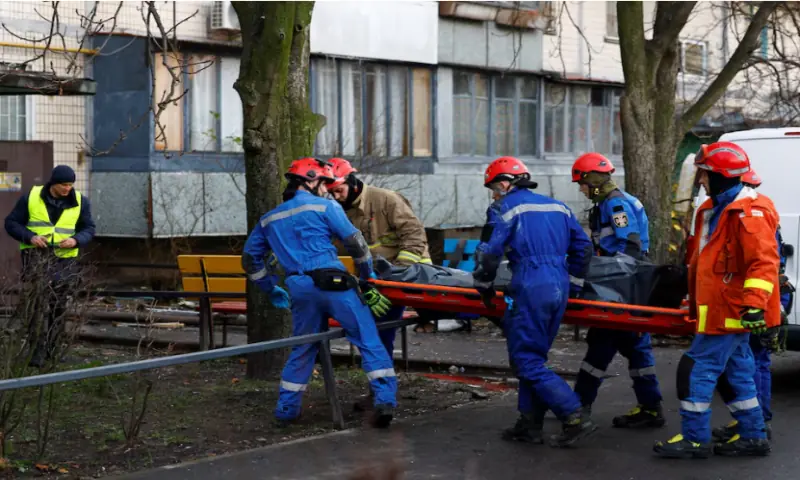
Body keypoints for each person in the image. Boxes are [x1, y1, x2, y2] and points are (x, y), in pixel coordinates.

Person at [241, 157, 397, 428]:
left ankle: (287, 409)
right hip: (335, 284)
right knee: (367, 337)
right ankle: (384, 400)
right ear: (310, 180)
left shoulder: (269, 219)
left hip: (299, 289)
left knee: (303, 346)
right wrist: (366, 275)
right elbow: (355, 243)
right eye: (324, 183)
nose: (327, 188)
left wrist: (270, 288)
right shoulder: (326, 206)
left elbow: (249, 259)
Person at [654, 141, 778, 458]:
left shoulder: (748, 212)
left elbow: (762, 263)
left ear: (722, 176)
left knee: (695, 369)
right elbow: (706, 260)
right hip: (720, 308)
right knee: (737, 373)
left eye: (706, 174)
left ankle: (695, 439)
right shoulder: (714, 209)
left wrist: (754, 304)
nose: (701, 181)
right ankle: (753, 434)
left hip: (732, 309)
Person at [472, 156, 597, 448]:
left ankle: (574, 414)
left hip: (530, 285)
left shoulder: (503, 208)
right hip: (558, 285)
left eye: (493, 187)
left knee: (526, 360)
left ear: (504, 183)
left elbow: (488, 253)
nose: (493, 194)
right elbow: (583, 247)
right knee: (533, 358)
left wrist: (483, 287)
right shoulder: (558, 207)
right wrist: (575, 284)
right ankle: (529, 424)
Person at [569, 153, 665, 429]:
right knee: (636, 347)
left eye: (582, 183)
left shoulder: (616, 204)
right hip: (627, 285)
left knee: (601, 344)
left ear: (594, 181)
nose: (581, 189)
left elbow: (630, 245)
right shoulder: (608, 204)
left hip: (621, 285)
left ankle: (578, 408)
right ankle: (651, 406)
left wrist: (613, 286)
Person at [711, 169, 794, 444]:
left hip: (760, 299)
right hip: (766, 297)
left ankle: (758, 422)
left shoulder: (752, 215)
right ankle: (754, 421)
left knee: (755, 362)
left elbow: (763, 265)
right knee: (754, 362)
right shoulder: (762, 212)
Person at [4, 165, 95, 367]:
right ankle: (36, 352)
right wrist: (30, 237)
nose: (67, 189)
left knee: (59, 306)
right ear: (53, 183)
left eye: (71, 185)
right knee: (37, 306)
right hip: (37, 258)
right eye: (64, 184)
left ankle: (55, 350)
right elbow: (11, 223)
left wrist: (76, 240)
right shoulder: (31, 198)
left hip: (64, 260)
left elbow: (89, 228)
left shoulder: (80, 202)